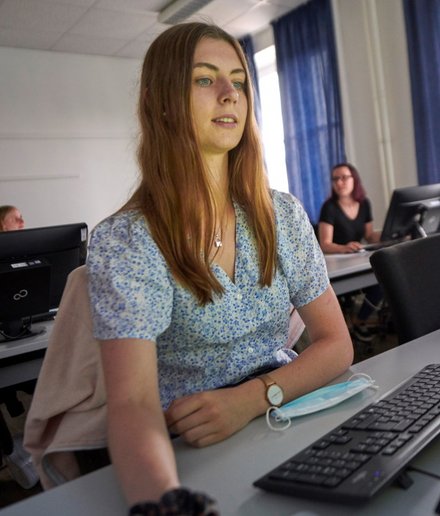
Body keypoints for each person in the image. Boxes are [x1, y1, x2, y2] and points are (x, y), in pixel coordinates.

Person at [86, 23, 353, 515]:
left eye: (239, 80)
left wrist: (254, 398)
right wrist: (167, 502)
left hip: (284, 411)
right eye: (205, 80)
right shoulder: (126, 240)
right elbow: (132, 405)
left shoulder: (282, 214)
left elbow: (336, 344)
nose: (231, 95)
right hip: (193, 445)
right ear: (161, 101)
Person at [318, 162, 383, 342]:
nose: (340, 182)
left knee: (382, 281)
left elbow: (369, 236)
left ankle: (359, 320)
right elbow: (324, 244)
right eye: (335, 179)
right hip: (335, 264)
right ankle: (343, 332)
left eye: (344, 177)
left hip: (357, 259)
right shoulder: (329, 207)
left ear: (354, 179)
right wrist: (344, 247)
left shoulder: (364, 204)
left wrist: (392, 233)